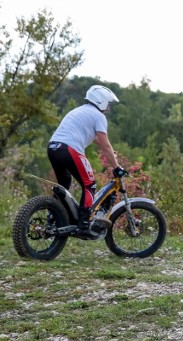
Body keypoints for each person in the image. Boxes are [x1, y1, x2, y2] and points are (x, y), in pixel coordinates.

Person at [47, 85, 124, 237]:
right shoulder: (99, 116)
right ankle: (83, 225)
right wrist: (116, 166)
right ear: (101, 101)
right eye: (108, 103)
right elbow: (104, 143)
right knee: (89, 185)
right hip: (70, 149)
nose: (108, 107)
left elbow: (95, 138)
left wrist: (110, 152)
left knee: (63, 185)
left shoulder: (78, 110)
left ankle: (52, 217)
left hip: (53, 147)